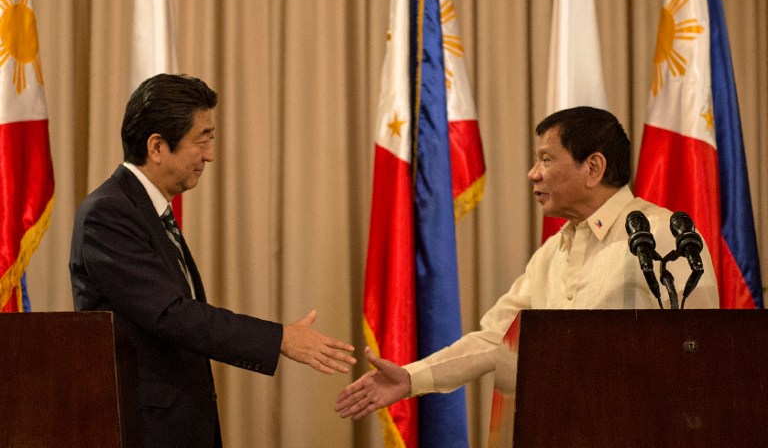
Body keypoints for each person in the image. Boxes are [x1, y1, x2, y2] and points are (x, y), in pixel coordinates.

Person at [335, 106, 719, 421]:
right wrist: (410, 378)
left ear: (593, 168)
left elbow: (702, 351)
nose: (533, 173)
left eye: (546, 159)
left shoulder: (661, 233)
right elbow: (495, 339)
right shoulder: (552, 253)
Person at [70, 74, 356, 447]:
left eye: (211, 139)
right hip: (144, 430)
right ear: (157, 146)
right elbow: (171, 314)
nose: (210, 154)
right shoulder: (108, 213)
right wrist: (279, 338)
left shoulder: (146, 209)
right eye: (201, 139)